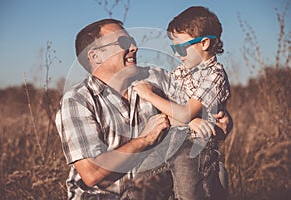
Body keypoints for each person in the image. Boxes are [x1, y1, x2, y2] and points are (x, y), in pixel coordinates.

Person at [55, 18, 231, 199]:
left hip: (156, 192)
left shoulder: (156, 77)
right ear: (95, 56)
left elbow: (192, 111)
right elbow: (92, 173)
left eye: (132, 41)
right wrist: (145, 140)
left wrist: (218, 122)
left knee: (214, 174)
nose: (134, 47)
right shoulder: (77, 100)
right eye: (123, 42)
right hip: (102, 196)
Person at [133, 6, 231, 200]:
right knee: (140, 186)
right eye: (174, 48)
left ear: (204, 43)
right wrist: (186, 118)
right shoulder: (181, 72)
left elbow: (185, 112)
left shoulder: (214, 76)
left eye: (180, 47)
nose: (177, 54)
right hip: (167, 141)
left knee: (188, 193)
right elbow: (170, 108)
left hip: (194, 145)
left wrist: (150, 95)